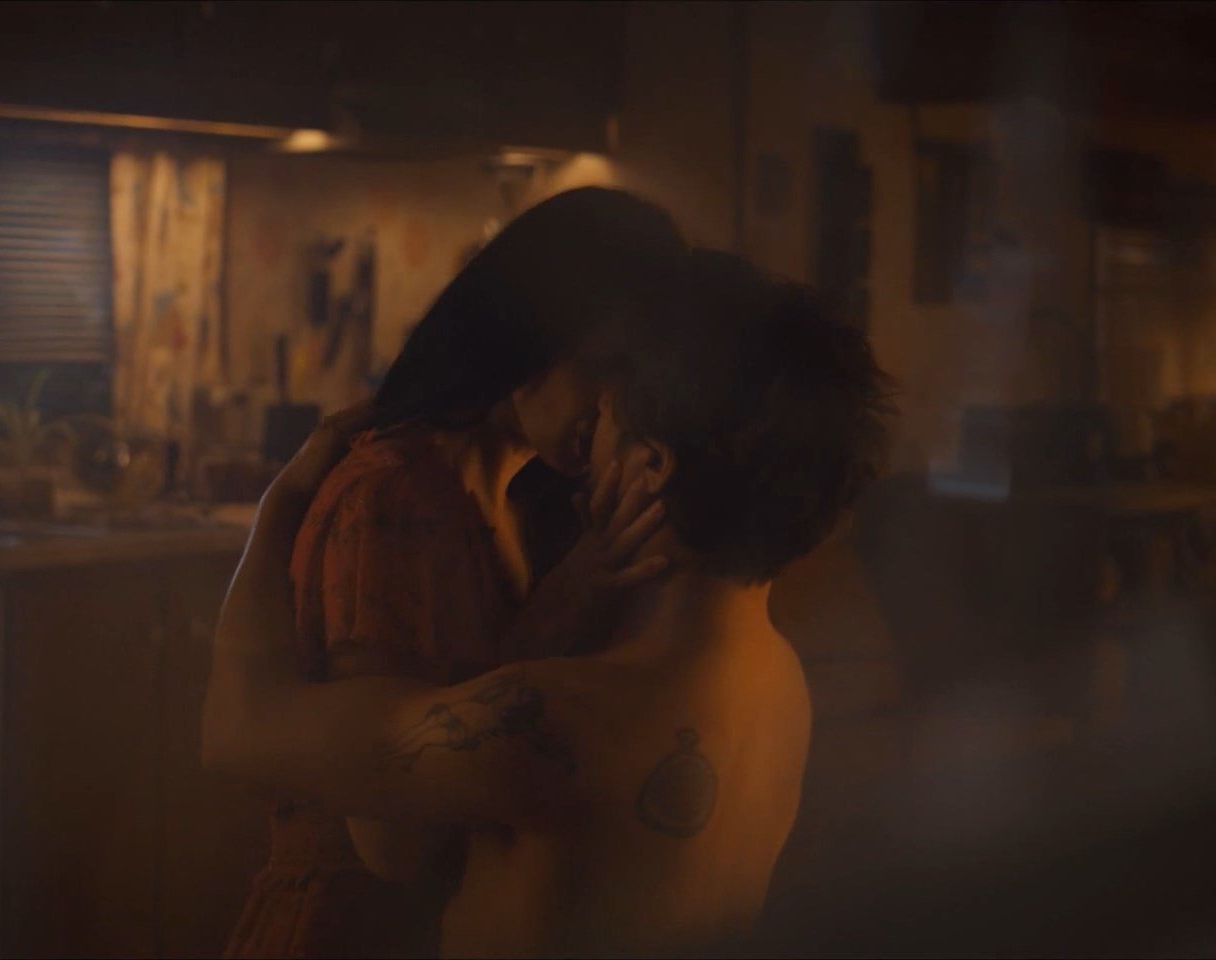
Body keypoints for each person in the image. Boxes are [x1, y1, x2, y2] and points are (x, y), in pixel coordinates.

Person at [205, 250, 894, 957]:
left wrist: (281, 501)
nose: (588, 437)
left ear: (651, 467)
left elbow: (238, 730)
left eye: (608, 416)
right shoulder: (782, 686)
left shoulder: (550, 723)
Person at [221, 187, 688, 959]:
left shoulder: (502, 496)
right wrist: (560, 610)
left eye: (637, 379)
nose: (615, 406)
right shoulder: (397, 499)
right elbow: (395, 841)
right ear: (533, 334)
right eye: (605, 368)